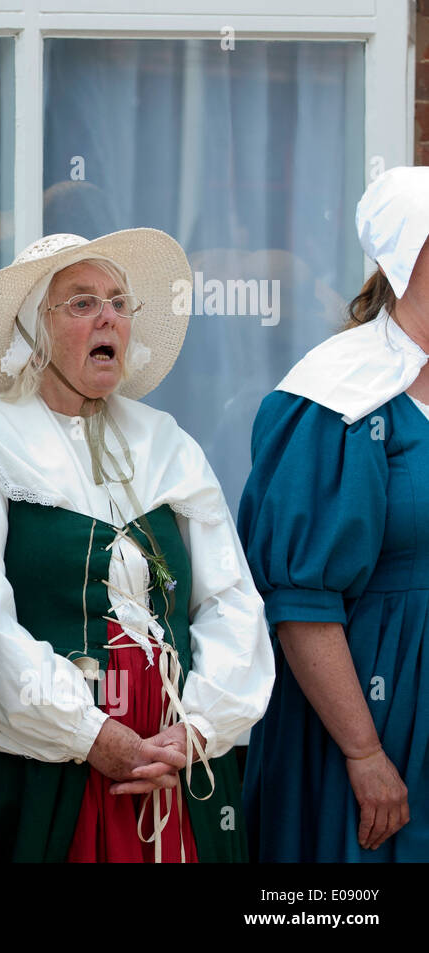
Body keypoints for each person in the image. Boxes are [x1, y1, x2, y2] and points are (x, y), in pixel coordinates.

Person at [0, 229, 274, 862]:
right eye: (82, 303)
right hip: (38, 758)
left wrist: (197, 727)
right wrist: (91, 735)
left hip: (173, 755)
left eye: (118, 301)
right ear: (36, 330)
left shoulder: (167, 443)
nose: (109, 315)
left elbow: (230, 599)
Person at [238, 165, 429, 861]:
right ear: (406, 261)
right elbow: (301, 600)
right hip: (373, 726)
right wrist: (365, 751)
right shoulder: (335, 399)